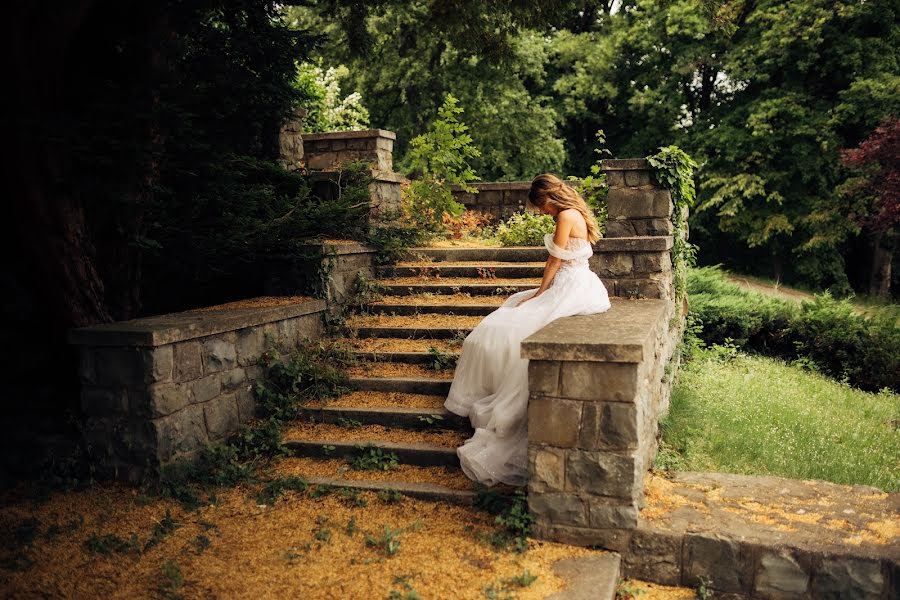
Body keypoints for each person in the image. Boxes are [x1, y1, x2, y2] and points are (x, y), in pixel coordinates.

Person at [444, 173, 611, 486]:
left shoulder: (565, 216)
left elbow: (554, 262)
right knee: (511, 310)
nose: (543, 212)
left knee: (500, 325)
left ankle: (490, 394)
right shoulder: (576, 212)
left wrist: (539, 294)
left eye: (542, 206)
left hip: (570, 285)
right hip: (584, 282)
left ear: (550, 198)